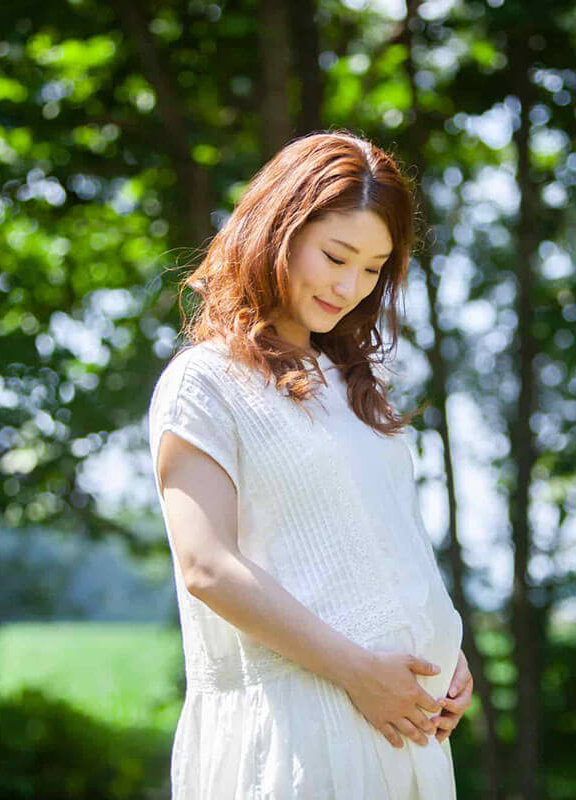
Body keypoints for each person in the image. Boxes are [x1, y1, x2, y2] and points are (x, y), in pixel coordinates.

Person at [147, 130, 473, 799]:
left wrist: (447, 656)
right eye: (336, 255)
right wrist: (357, 671)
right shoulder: (205, 382)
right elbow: (207, 567)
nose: (351, 285)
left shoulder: (353, 388)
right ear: (278, 230)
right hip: (298, 738)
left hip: (401, 738)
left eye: (374, 267)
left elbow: (379, 544)